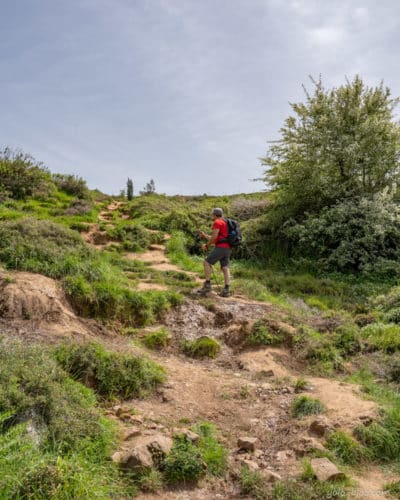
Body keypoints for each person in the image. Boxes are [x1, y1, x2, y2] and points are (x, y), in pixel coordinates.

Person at [197, 207, 231, 297]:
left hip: (220, 248)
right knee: (225, 268)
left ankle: (207, 285)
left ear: (215, 214)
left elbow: (214, 237)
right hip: (227, 248)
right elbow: (217, 238)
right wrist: (204, 235)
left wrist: (207, 246)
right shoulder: (225, 223)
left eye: (212, 214)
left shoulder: (217, 222)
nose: (212, 216)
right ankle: (226, 290)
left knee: (206, 262)